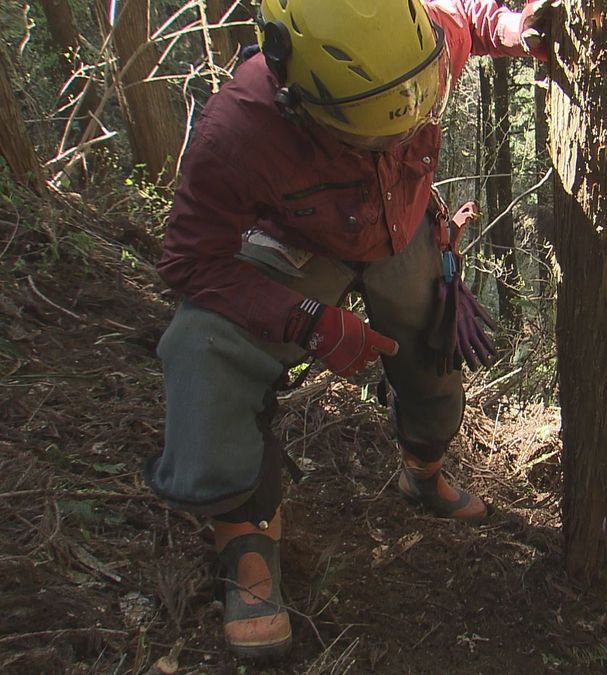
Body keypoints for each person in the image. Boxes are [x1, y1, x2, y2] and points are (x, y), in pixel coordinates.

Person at [143, 0, 553, 659]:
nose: (394, 138)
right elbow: (190, 260)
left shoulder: (415, 49)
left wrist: (516, 30)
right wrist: (303, 320)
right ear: (297, 96)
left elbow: (470, 20)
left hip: (402, 224)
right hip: (297, 246)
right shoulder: (238, 127)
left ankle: (423, 468)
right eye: (369, 132)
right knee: (207, 346)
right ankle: (246, 545)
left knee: (431, 352)